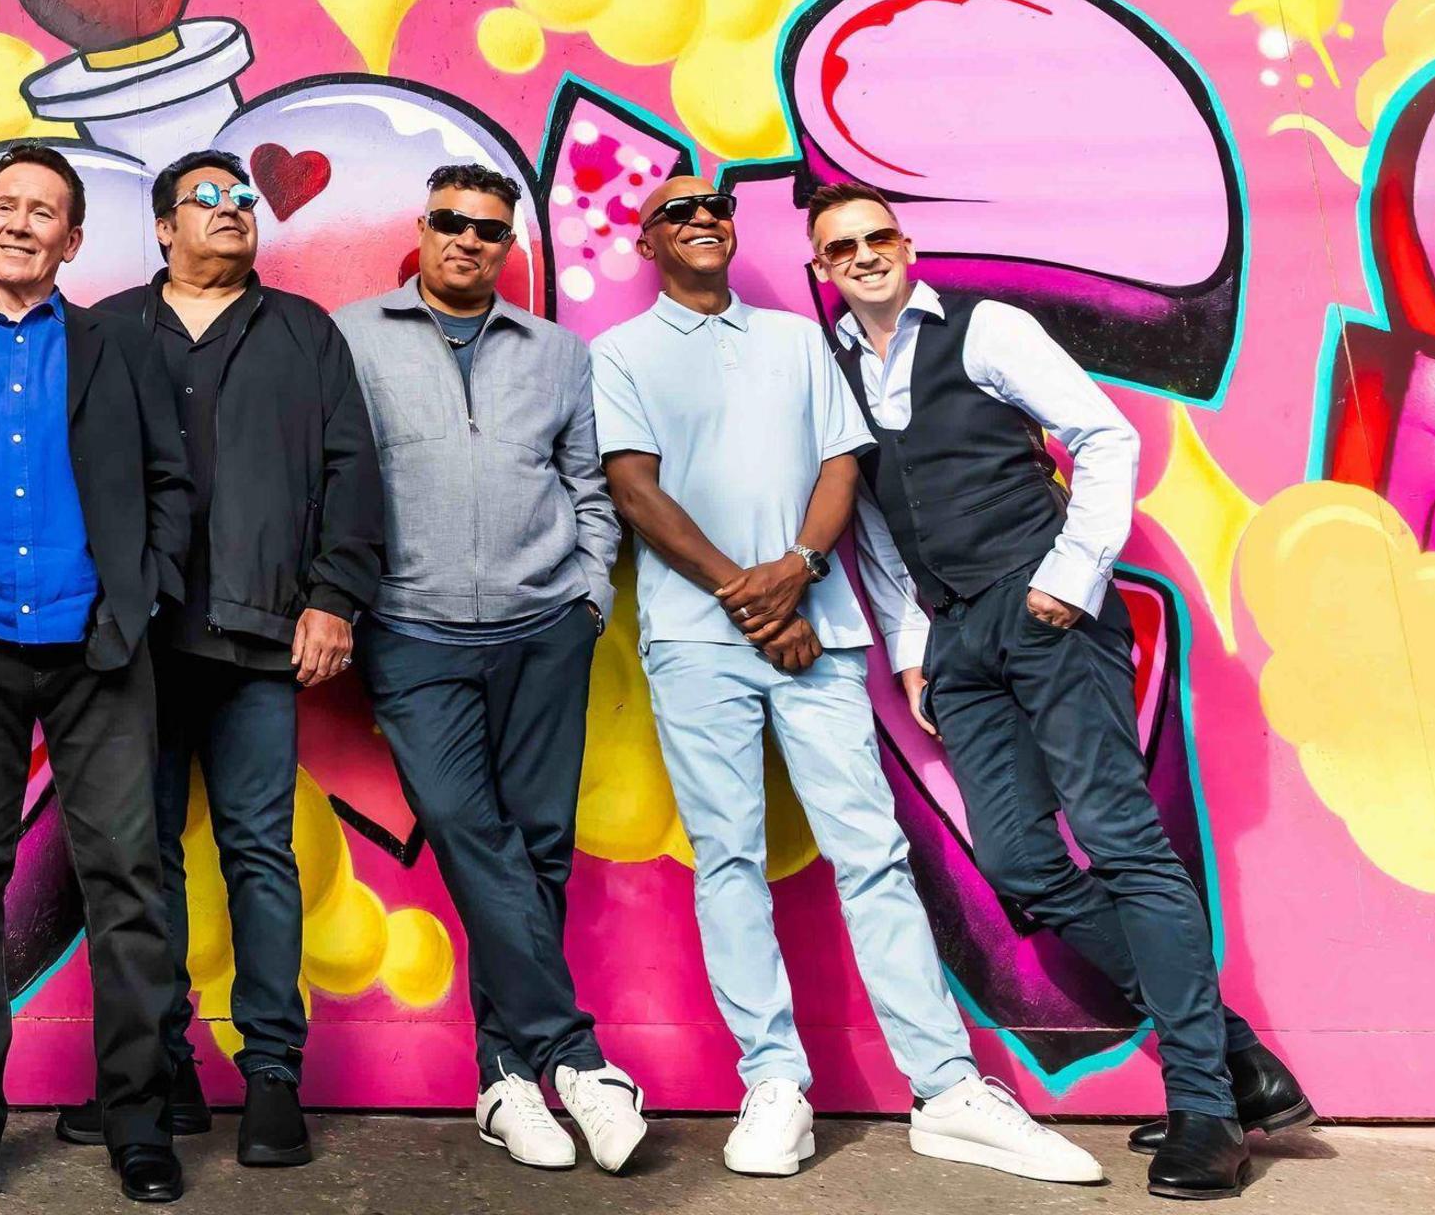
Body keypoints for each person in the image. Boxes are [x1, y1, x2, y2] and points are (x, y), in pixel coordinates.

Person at [585, 173, 1099, 1188]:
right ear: (647, 244)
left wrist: (798, 576)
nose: (702, 220)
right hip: (699, 641)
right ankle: (773, 1082)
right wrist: (747, 595)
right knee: (727, 859)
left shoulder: (794, 340)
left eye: (716, 209)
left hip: (816, 631)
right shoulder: (620, 354)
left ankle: (946, 1087)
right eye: (678, 213)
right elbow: (633, 490)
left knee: (869, 853)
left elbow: (840, 467)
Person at [807, 185, 1315, 1201]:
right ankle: (1232, 1054)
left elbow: (1104, 435)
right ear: (823, 269)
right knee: (1022, 862)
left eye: (877, 237)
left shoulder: (986, 329)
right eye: (841, 248)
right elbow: (872, 522)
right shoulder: (839, 371)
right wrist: (911, 649)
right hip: (958, 642)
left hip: (1045, 613)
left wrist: (1068, 579)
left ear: (905, 246)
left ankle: (1207, 1106)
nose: (864, 255)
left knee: (1122, 841)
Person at [0, 142, 197, 1206]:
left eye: (42, 210)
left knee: (127, 884)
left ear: (73, 238)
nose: (19, 222)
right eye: (4, 206)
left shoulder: (121, 349)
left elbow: (168, 485)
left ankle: (139, 1122)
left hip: (99, 648)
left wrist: (138, 601)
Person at [335, 165, 645, 1176]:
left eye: (490, 230)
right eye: (453, 223)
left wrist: (588, 595)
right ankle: (579, 1057)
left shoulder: (555, 353)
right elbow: (329, 478)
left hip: (541, 628)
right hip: (413, 632)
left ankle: (507, 1079)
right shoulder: (352, 337)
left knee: (541, 843)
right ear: (422, 228)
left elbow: (588, 485)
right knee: (474, 835)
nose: (470, 241)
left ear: (509, 245)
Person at [100, 151, 381, 1170]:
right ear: (164, 227)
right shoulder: (107, 334)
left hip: (262, 639)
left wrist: (334, 598)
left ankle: (272, 1078)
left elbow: (352, 472)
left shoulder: (305, 333)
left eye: (242, 201)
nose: (232, 213)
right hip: (138, 644)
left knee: (260, 855)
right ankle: (159, 1068)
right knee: (144, 859)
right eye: (208, 201)